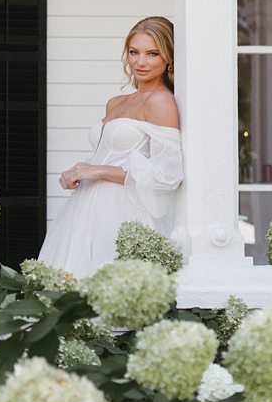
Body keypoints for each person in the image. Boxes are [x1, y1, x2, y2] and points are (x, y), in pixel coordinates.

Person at [38, 16, 182, 278]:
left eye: (152, 53)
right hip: (84, 208)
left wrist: (99, 171)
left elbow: (167, 176)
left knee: (109, 289)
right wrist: (79, 172)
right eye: (134, 52)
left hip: (123, 211)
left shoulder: (162, 102)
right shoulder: (116, 102)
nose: (140, 62)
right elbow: (109, 155)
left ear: (169, 57)